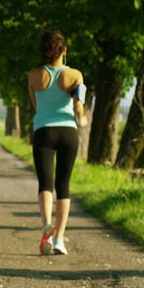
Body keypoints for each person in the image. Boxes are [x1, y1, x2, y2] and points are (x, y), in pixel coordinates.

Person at [28, 27, 87, 255]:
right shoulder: (75, 75)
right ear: (64, 49)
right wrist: (81, 119)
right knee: (64, 186)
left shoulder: (33, 75)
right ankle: (60, 238)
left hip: (43, 131)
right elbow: (78, 104)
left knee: (45, 184)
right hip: (67, 132)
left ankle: (46, 226)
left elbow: (35, 105)